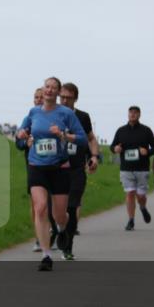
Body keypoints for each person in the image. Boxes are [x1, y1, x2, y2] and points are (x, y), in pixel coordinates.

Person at [16, 77, 88, 271]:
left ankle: (61, 230)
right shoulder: (32, 113)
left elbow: (82, 139)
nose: (49, 90)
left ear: (58, 93)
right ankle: (46, 255)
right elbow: (19, 138)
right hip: (36, 166)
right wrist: (22, 138)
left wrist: (63, 135)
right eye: (47, 87)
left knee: (59, 215)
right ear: (43, 89)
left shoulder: (65, 114)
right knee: (40, 208)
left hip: (59, 167)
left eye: (53, 88)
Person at [56, 82, 100, 260]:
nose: (65, 100)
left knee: (72, 207)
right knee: (57, 209)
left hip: (76, 169)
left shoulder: (82, 117)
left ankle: (68, 246)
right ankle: (58, 230)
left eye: (68, 97)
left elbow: (91, 139)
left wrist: (94, 156)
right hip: (55, 168)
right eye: (62, 97)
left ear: (75, 98)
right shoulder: (52, 114)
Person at [110, 106, 154, 231]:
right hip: (126, 168)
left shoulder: (146, 130)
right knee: (130, 193)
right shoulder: (121, 131)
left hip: (142, 168)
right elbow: (112, 146)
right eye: (131, 112)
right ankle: (131, 220)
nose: (132, 115)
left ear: (139, 115)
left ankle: (142, 207)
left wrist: (146, 152)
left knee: (140, 196)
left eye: (135, 113)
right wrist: (115, 149)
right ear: (128, 114)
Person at [18, 88, 46, 253]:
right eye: (36, 97)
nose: (38, 100)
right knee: (36, 203)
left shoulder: (56, 117)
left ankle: (54, 231)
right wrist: (25, 143)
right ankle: (38, 237)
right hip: (33, 165)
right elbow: (19, 142)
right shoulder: (29, 119)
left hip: (54, 165)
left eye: (41, 97)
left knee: (51, 203)